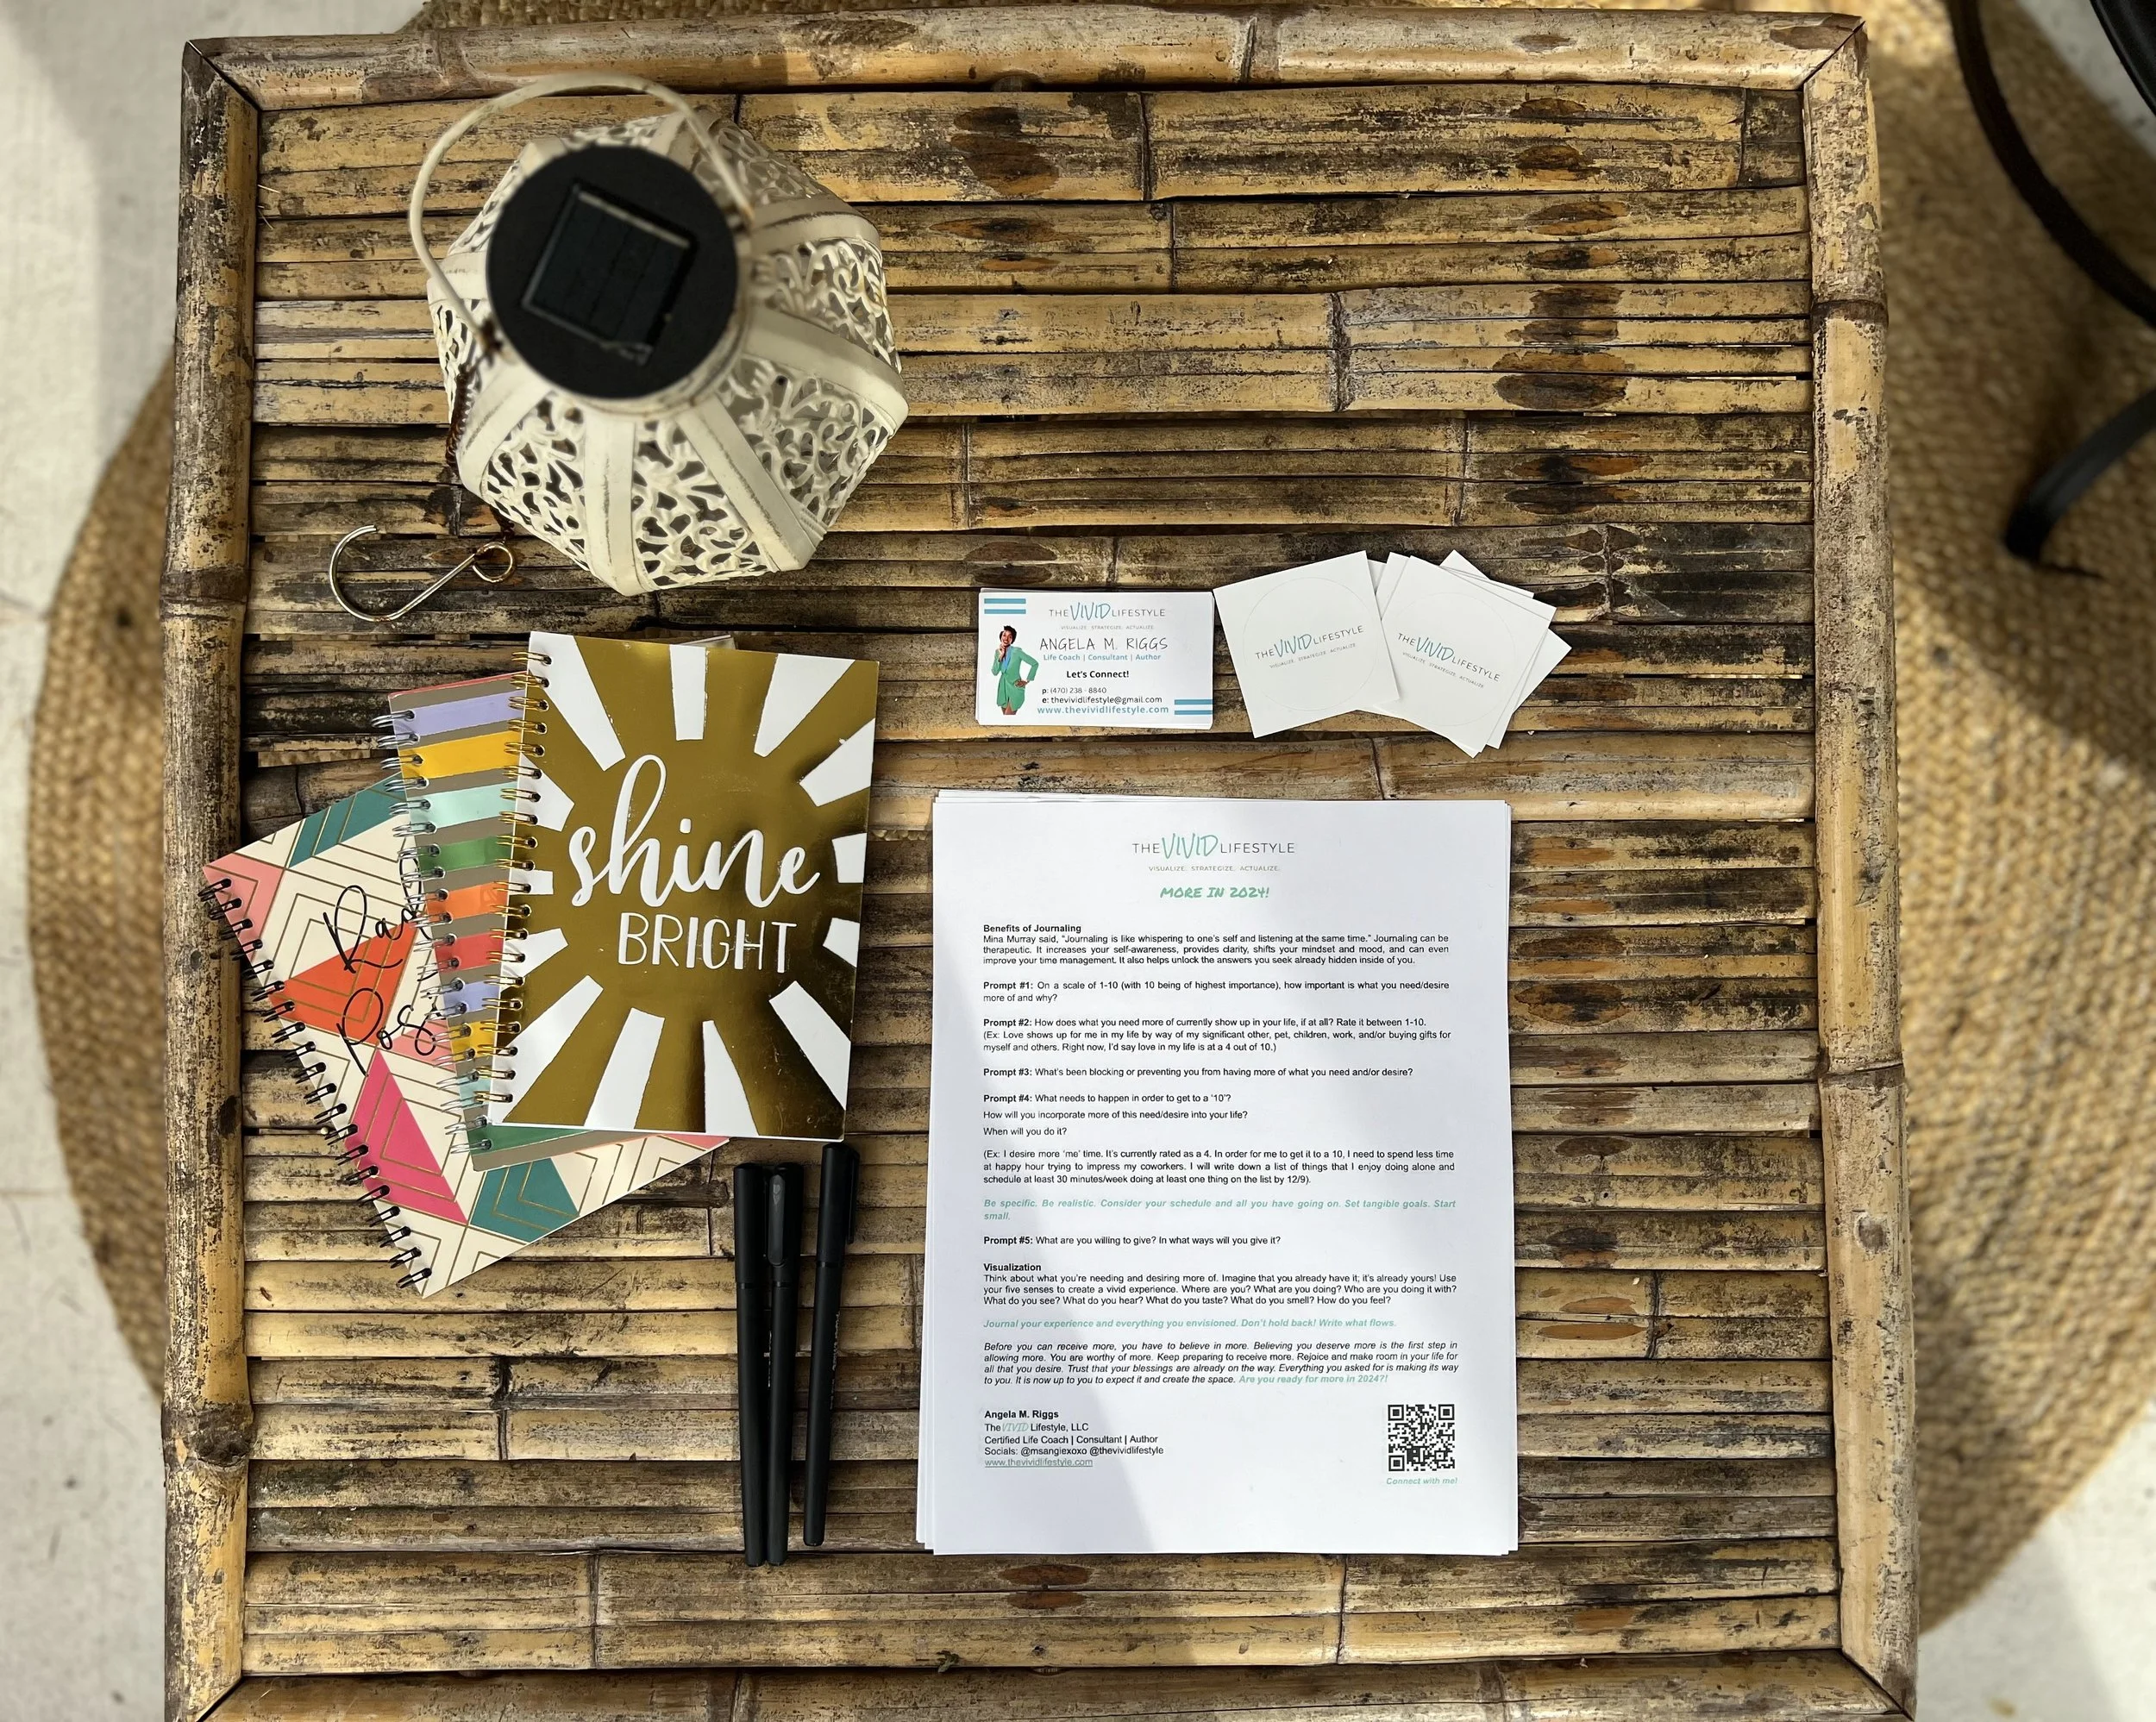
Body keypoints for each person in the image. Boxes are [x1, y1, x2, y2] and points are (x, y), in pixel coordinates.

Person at [988, 624, 1039, 715]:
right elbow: (995, 672)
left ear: (1012, 640)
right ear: (1001, 636)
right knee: (1006, 719)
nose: (1006, 639)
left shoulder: (1017, 651)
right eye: (1004, 635)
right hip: (1003, 689)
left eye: (1010, 637)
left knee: (1008, 716)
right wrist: (1000, 656)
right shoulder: (998, 652)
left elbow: (1035, 664)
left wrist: (1027, 680)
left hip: (1015, 687)